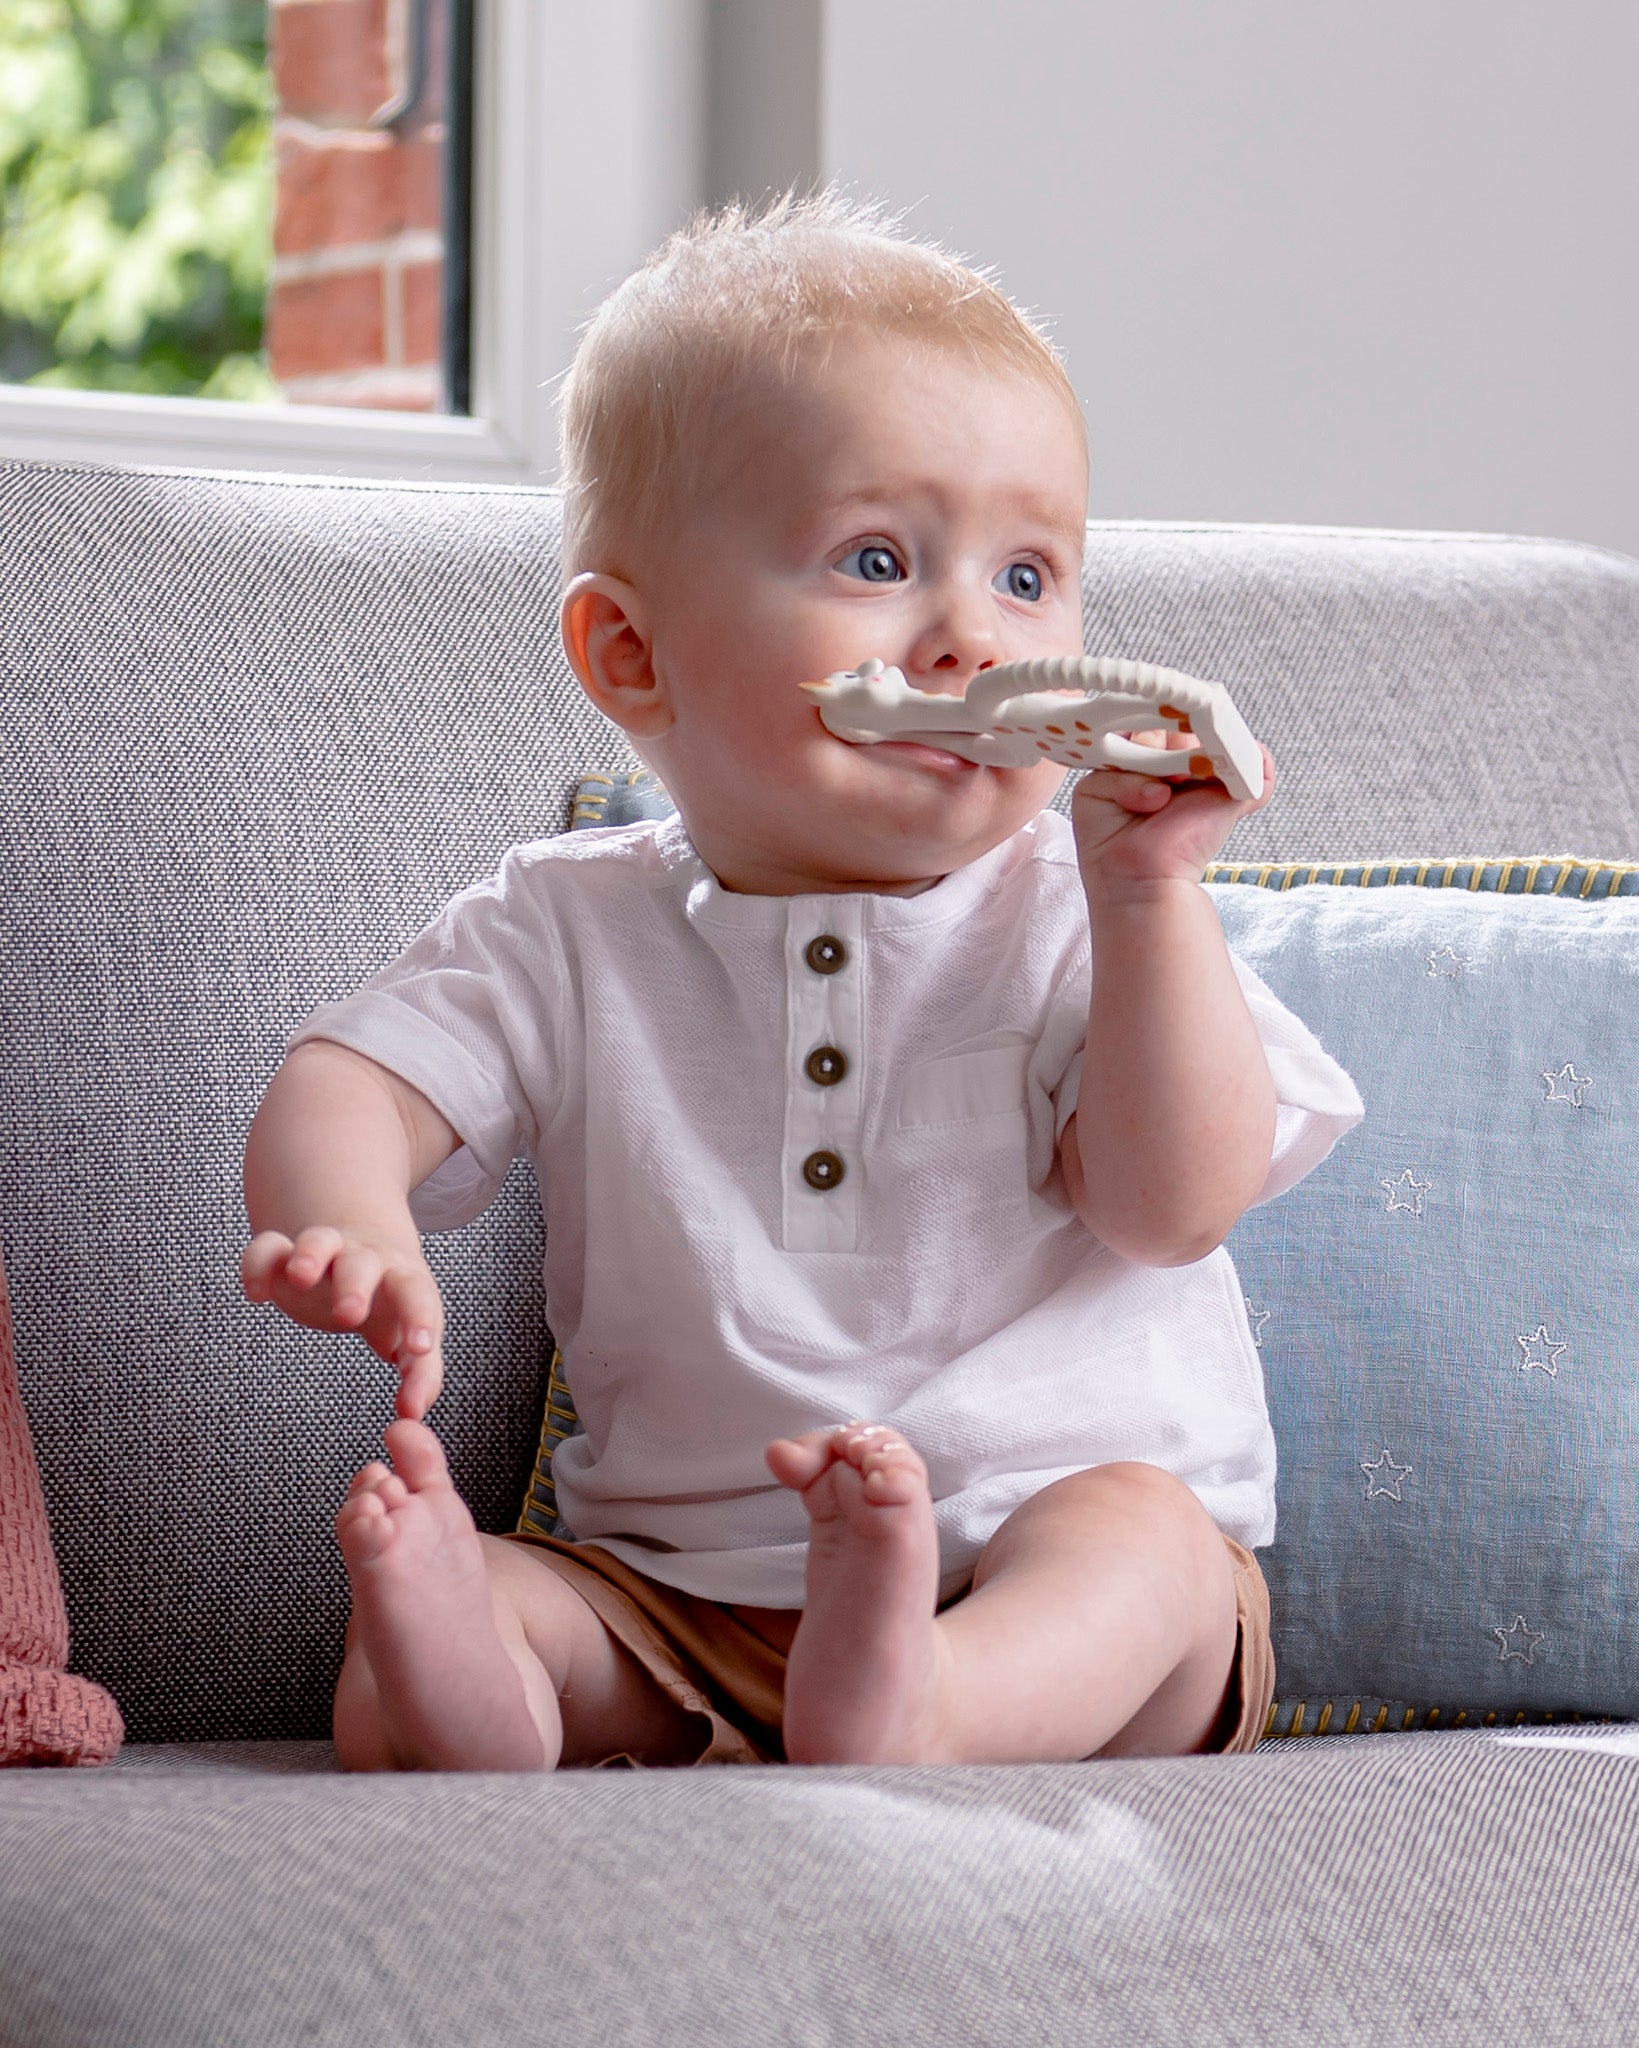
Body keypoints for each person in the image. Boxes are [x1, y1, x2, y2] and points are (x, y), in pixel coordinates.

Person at [240, 190, 1363, 1773]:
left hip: (1047, 1576)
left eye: (1032, 578)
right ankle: (464, 1695)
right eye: (881, 558)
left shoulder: (1080, 914)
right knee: (499, 1583)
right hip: (679, 1590)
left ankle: (936, 1700)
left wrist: (1147, 890)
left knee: (1152, 1546)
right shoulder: (570, 928)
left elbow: (1172, 1206)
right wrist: (349, 1218)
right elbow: (351, 1083)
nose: (976, 636)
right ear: (633, 656)